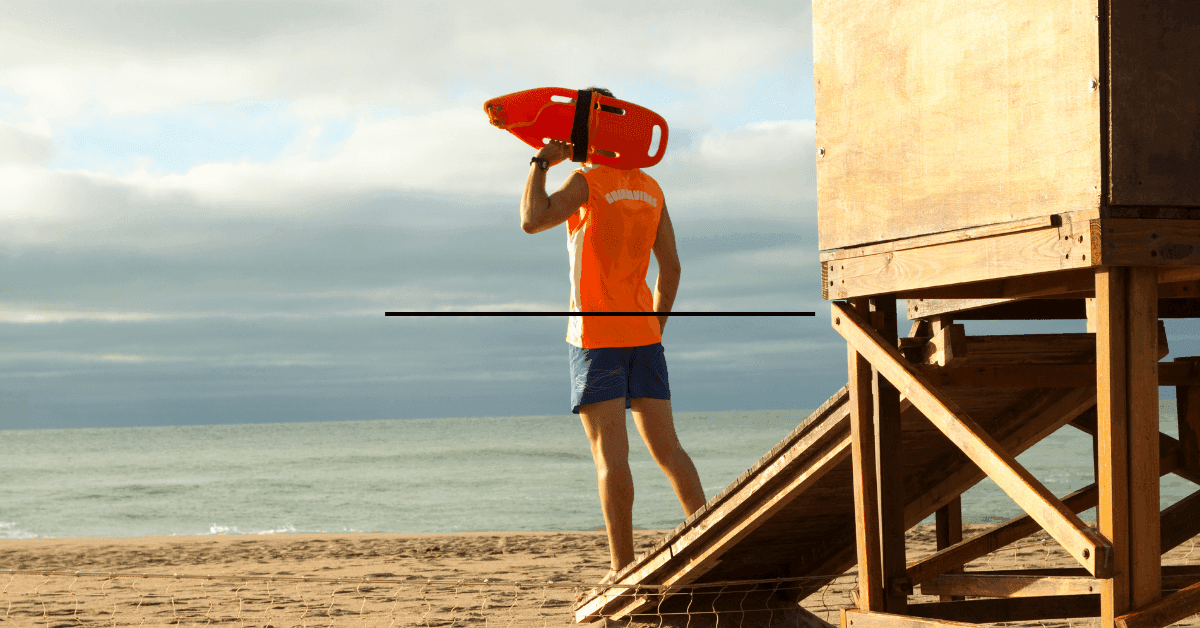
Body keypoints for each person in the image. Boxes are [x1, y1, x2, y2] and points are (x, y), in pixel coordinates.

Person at [518, 88, 706, 582]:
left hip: (597, 338)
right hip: (643, 336)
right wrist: (655, 326)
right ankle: (709, 540)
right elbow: (672, 267)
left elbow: (531, 221)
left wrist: (541, 162)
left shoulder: (588, 182)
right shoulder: (651, 188)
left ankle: (621, 566)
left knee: (611, 458)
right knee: (669, 450)